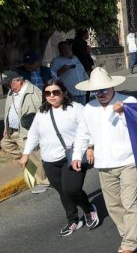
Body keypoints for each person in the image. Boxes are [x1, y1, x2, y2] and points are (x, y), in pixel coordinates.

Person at [72, 68, 137, 253]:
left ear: (112, 86)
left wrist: (120, 114)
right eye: (96, 91)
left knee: (129, 203)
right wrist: (78, 155)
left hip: (128, 161)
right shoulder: (89, 107)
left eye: (103, 89)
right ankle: (128, 232)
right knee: (113, 206)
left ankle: (128, 245)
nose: (100, 93)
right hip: (104, 164)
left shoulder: (129, 102)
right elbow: (83, 133)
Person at [21, 80, 98, 236]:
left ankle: (89, 209)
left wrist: (90, 147)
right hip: (49, 161)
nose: (52, 96)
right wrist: (26, 154)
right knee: (63, 192)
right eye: (48, 93)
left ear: (63, 92)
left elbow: (90, 129)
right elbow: (33, 135)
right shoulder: (42, 113)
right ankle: (73, 220)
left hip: (72, 157)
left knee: (71, 189)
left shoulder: (76, 109)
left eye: (55, 92)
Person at [1, 75, 48, 192]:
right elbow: (8, 109)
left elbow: (40, 110)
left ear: (18, 81)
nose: (8, 87)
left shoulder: (33, 91)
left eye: (9, 84)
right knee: (5, 144)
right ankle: (26, 161)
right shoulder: (12, 92)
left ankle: (43, 181)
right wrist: (6, 127)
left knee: (33, 155)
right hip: (12, 130)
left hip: (26, 130)